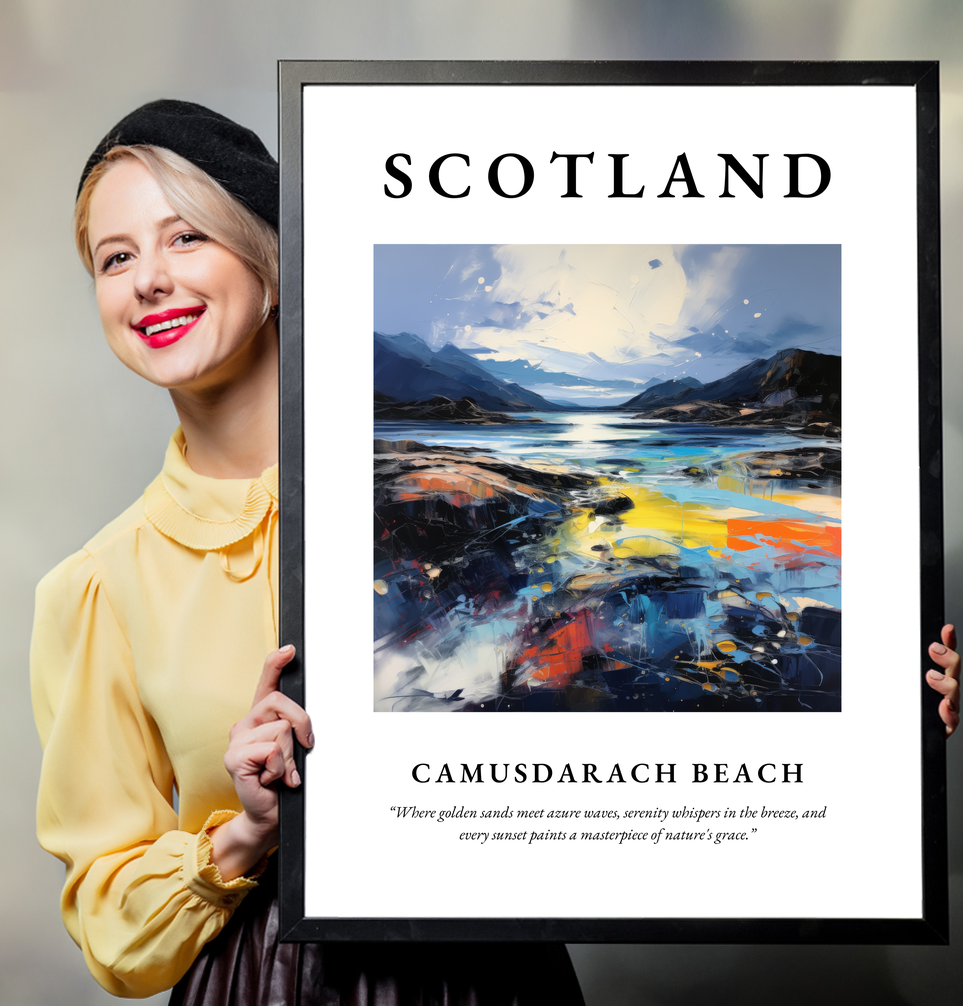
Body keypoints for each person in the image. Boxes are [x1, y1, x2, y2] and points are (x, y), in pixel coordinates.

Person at [30, 100, 586, 1004]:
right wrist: (245, 832)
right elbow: (110, 924)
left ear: (273, 263)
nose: (148, 281)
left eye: (185, 238)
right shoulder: (97, 587)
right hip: (263, 981)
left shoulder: (452, 505)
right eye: (116, 257)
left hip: (493, 973)